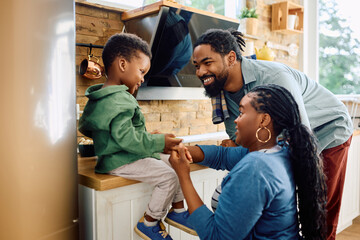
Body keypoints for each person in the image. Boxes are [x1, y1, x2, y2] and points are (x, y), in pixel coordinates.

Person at [192, 28, 353, 240]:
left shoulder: (273, 77)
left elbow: (300, 130)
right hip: (291, 140)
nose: (201, 71)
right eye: (196, 66)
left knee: (319, 211)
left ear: (231, 58)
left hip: (328, 128)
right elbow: (242, 140)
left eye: (207, 63)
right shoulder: (222, 92)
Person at [169, 84, 327, 239]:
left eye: (241, 113)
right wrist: (180, 148)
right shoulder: (278, 152)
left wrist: (184, 176)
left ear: (264, 120)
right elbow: (222, 155)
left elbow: (216, 236)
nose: (236, 120)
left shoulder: (256, 167)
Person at [78, 33, 196, 240]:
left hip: (120, 155)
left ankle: (177, 211)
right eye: (141, 72)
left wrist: (148, 136)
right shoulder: (120, 99)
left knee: (173, 161)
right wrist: (158, 142)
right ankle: (150, 222)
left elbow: (112, 132)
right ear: (122, 64)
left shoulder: (102, 98)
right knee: (168, 176)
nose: (142, 79)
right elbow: (126, 139)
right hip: (121, 160)